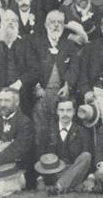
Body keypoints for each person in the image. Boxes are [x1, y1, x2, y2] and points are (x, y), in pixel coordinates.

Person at [26, 10, 79, 148]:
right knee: (40, 129)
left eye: (59, 22)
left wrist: (68, 85)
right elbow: (31, 65)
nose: (56, 25)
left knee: (61, 128)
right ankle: (41, 161)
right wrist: (36, 86)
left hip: (62, 93)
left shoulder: (69, 45)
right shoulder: (36, 43)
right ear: (46, 24)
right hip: (42, 93)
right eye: (52, 22)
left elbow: (74, 68)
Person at [35, 98, 93, 195]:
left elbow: (85, 163)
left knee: (86, 156)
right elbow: (39, 156)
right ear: (57, 111)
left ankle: (59, 187)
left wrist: (91, 177)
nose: (65, 114)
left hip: (75, 170)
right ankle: (74, 185)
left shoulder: (82, 132)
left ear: (74, 112)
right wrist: (40, 179)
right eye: (62, 110)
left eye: (68, 110)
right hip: (53, 173)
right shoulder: (47, 131)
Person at [0, 10, 32, 112]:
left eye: (13, 20)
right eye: (7, 20)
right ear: (1, 23)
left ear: (17, 24)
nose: (10, 23)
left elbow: (34, 69)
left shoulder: (24, 44)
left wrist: (20, 82)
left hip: (20, 97)